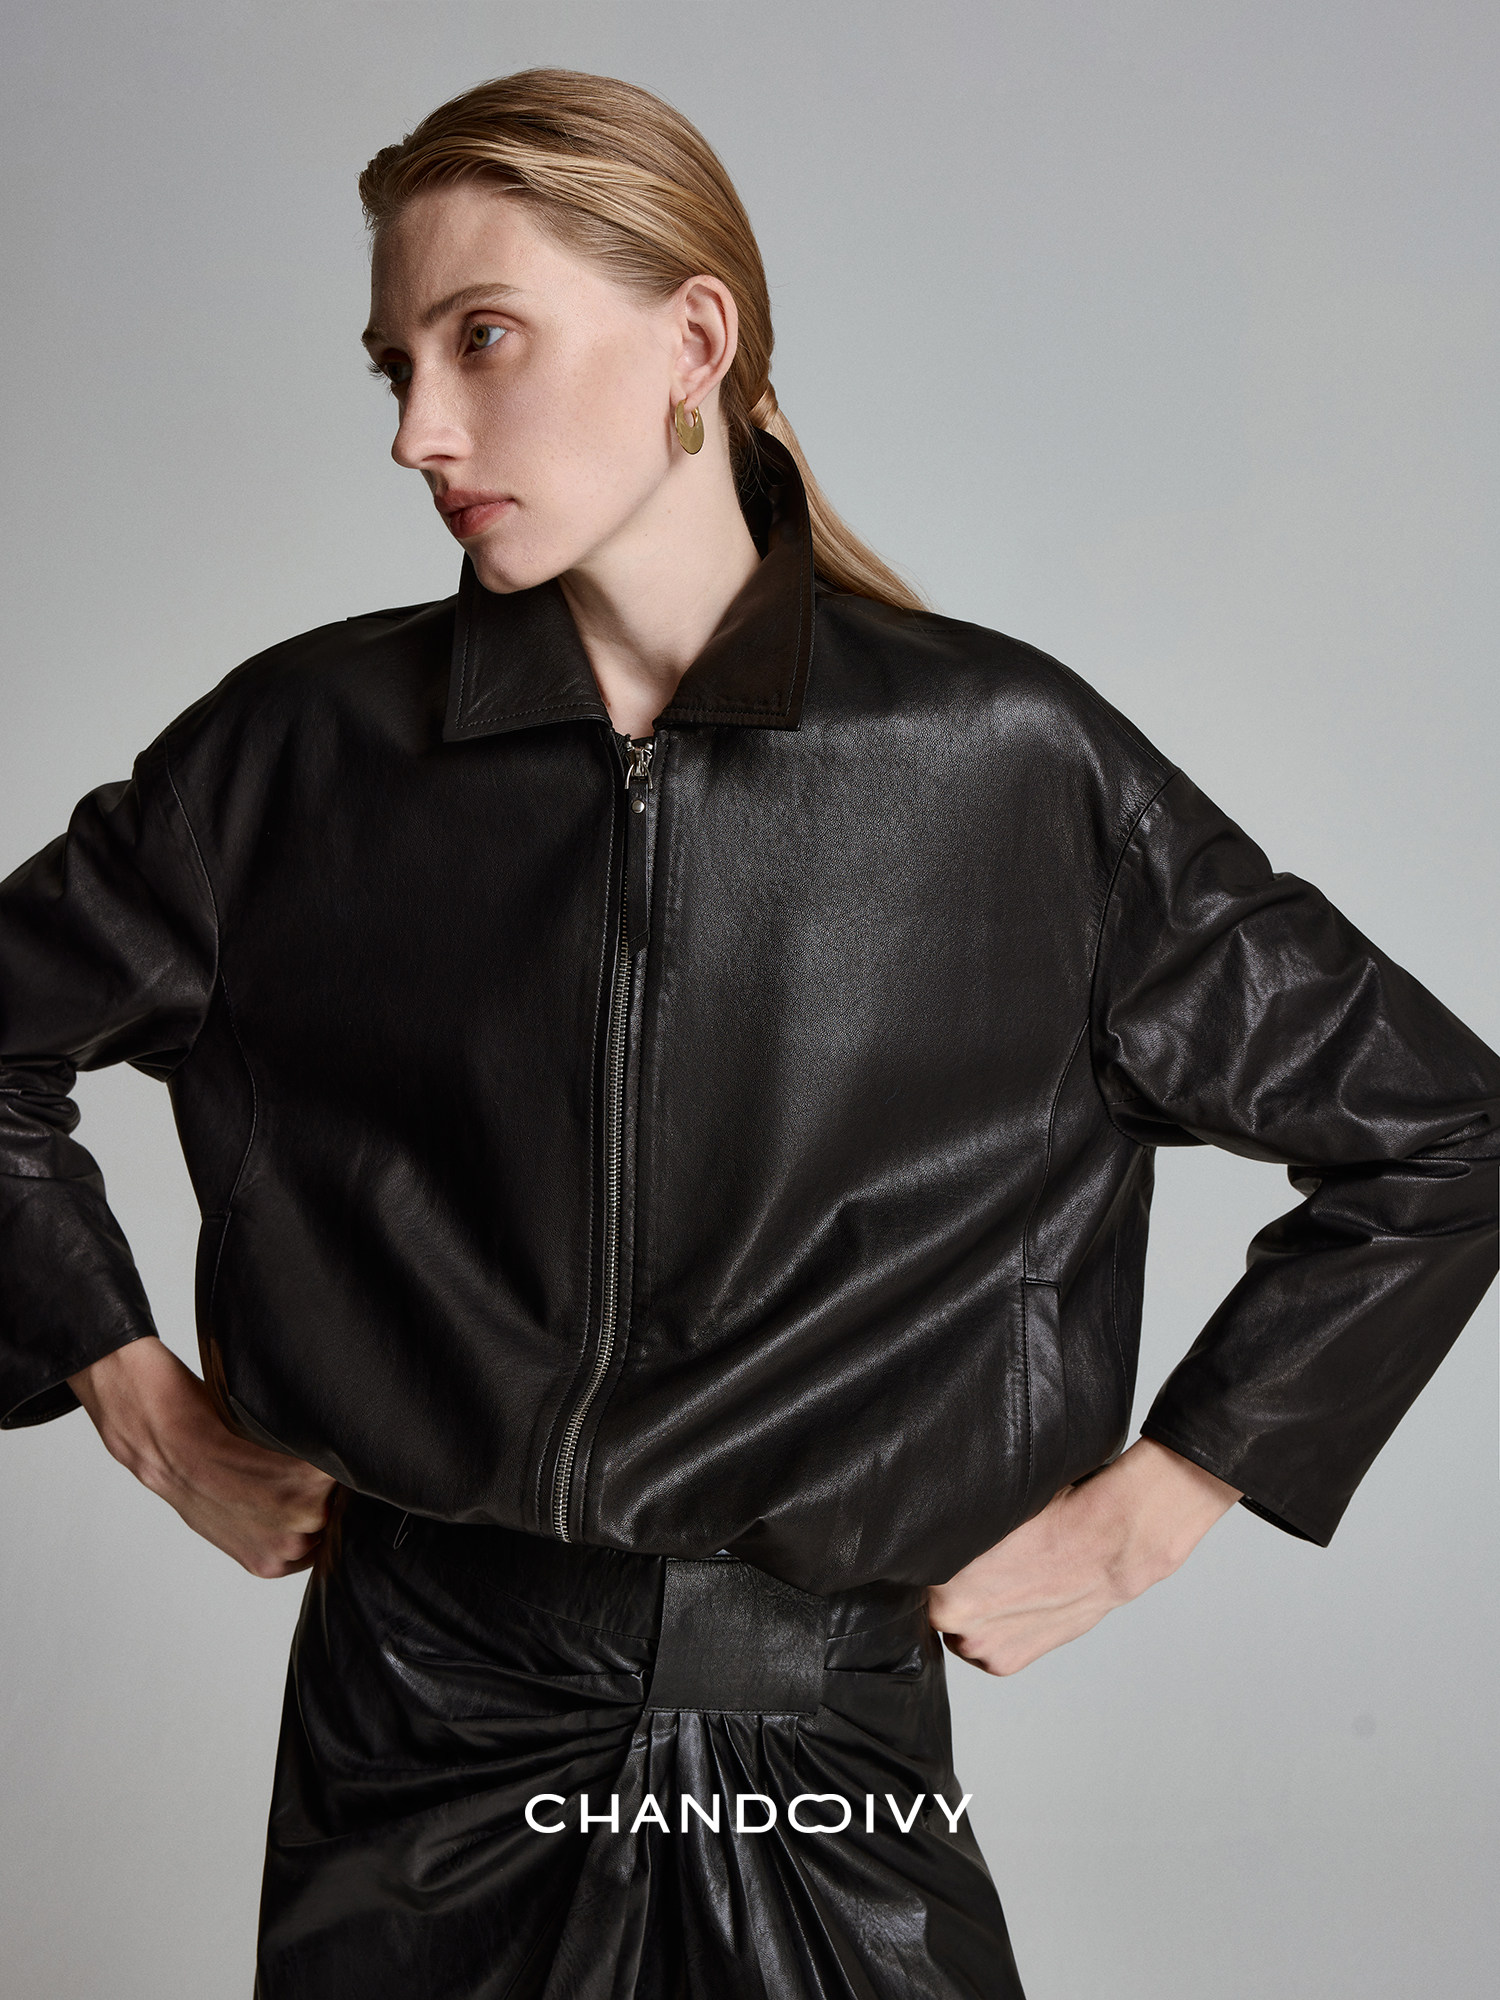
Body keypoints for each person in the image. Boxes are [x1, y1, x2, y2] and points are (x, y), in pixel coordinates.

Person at [1, 66, 1495, 2000]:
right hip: (420, 1742)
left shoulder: (1005, 765)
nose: (419, 430)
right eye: (395, 366)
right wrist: (135, 1401)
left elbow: (1441, 1130)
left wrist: (1165, 1499)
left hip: (821, 1751)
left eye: (482, 338)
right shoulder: (297, 757)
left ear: (693, 341)